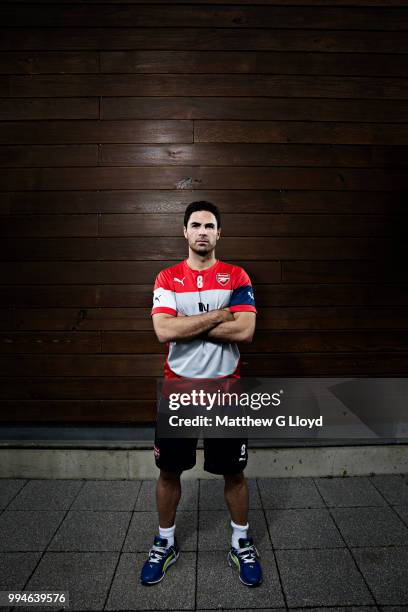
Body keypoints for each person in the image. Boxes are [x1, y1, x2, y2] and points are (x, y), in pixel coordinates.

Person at [140, 201, 262, 587]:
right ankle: (166, 541)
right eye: (196, 225)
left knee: (234, 471)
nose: (203, 231)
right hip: (179, 389)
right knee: (168, 471)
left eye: (210, 225)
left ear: (219, 233)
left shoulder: (237, 275)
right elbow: (164, 332)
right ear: (185, 232)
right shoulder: (167, 278)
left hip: (226, 388)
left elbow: (245, 332)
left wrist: (186, 323)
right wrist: (217, 316)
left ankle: (240, 541)